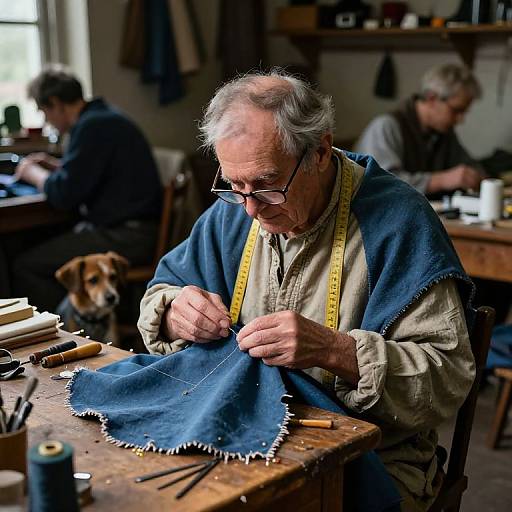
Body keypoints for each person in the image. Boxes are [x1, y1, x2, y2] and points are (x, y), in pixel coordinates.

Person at [137, 70, 475, 511]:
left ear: (320, 151)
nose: (251, 209)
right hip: (248, 429)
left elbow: (448, 376)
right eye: (234, 186)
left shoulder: (398, 223)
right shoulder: (236, 211)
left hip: (371, 455)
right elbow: (162, 290)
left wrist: (337, 351)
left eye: (267, 185)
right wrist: (172, 309)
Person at [11, 65, 162, 312]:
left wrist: (31, 172)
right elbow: (93, 172)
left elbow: (63, 195)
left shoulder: (93, 126)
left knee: (26, 265)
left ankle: (62, 333)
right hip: (133, 228)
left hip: (128, 236)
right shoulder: (103, 117)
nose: (45, 120)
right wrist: (58, 165)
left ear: (55, 103)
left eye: (44, 111)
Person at [355, 63, 485, 197]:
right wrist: (441, 180)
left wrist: (475, 176)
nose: (460, 120)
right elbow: (382, 183)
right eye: (456, 110)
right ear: (431, 98)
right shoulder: (386, 127)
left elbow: (468, 166)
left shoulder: (443, 132)